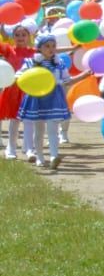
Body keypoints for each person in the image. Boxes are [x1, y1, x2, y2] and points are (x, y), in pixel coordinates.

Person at [19, 29, 71, 172]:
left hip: (53, 98)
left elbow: (67, 80)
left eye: (53, 46)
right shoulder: (31, 62)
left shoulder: (59, 64)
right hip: (37, 98)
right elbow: (20, 76)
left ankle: (54, 156)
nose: (51, 49)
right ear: (39, 48)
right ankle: (40, 156)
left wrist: (85, 75)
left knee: (52, 129)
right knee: (39, 129)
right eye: (47, 46)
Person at [2, 22, 34, 159]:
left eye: (23, 35)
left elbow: (53, 51)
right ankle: (11, 148)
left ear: (29, 37)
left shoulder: (34, 52)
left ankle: (28, 148)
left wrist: (74, 47)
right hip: (13, 89)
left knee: (29, 120)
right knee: (14, 120)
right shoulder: (9, 50)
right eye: (17, 35)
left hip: (30, 90)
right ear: (12, 37)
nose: (20, 37)